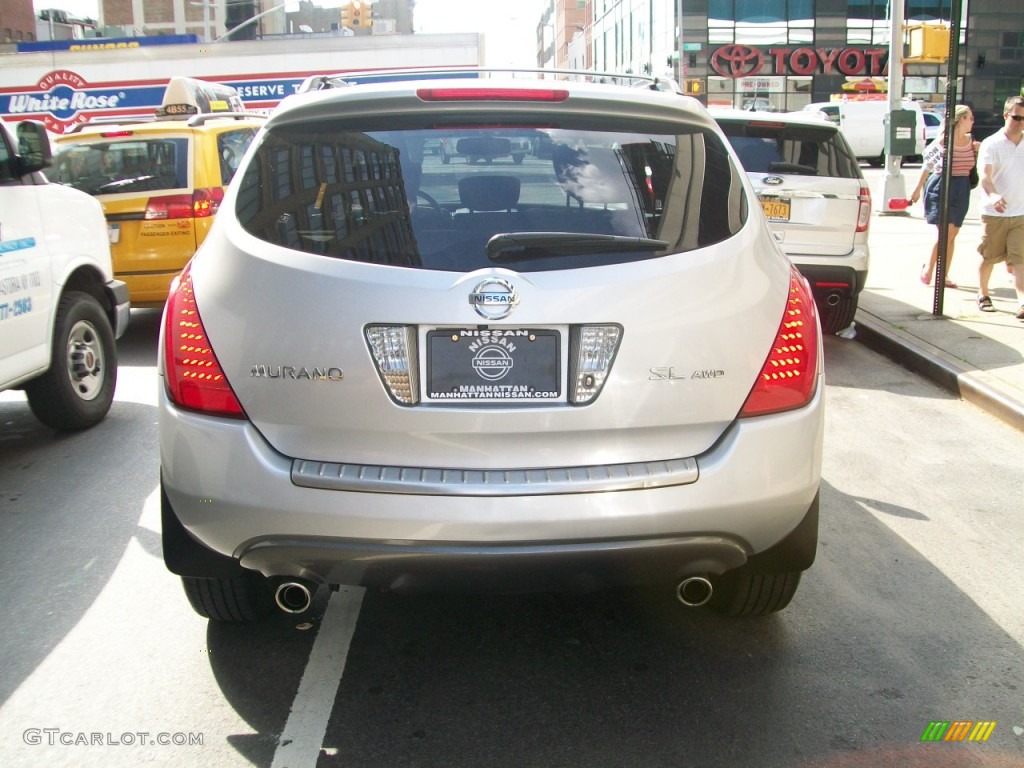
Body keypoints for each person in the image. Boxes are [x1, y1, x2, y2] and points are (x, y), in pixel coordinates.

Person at [909, 105, 978, 288]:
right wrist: (916, 190)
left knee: (952, 233)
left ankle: (943, 273)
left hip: (962, 187)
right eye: (970, 118)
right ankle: (931, 269)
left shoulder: (972, 142)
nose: (973, 122)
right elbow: (927, 165)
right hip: (941, 186)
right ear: (961, 119)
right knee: (945, 233)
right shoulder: (943, 141)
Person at [975, 95, 1024, 320]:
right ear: (1006, 115)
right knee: (990, 257)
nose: (1020, 122)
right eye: (1016, 117)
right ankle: (983, 294)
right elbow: (984, 176)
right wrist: (994, 195)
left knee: (1019, 259)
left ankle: (1022, 303)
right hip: (995, 212)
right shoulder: (992, 143)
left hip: (1020, 212)